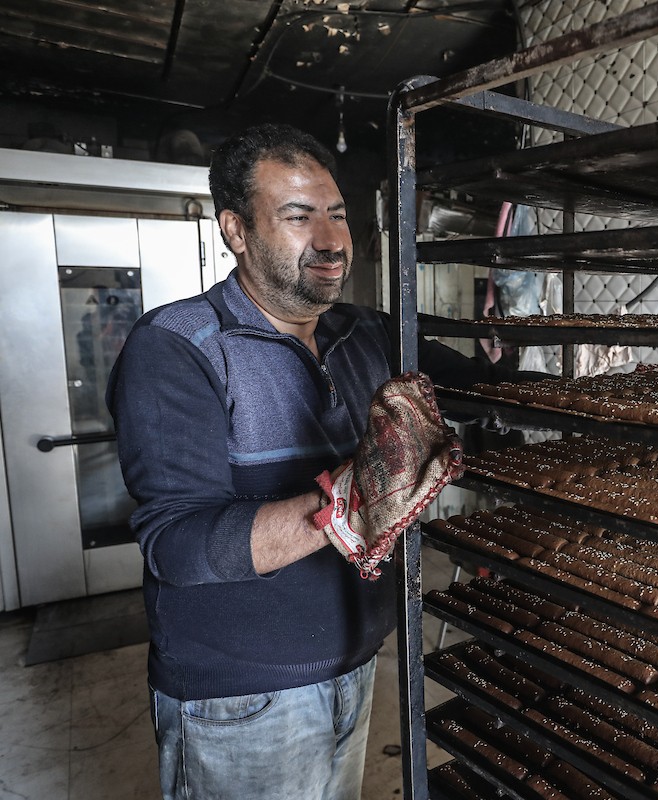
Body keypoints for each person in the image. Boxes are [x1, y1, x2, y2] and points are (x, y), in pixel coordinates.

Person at [106, 123, 498, 799]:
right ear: (236, 230)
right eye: (298, 216)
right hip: (242, 699)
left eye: (337, 215)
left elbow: (491, 392)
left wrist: (614, 387)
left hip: (356, 663)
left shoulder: (368, 333)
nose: (330, 240)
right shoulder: (177, 346)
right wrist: (349, 501)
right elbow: (179, 545)